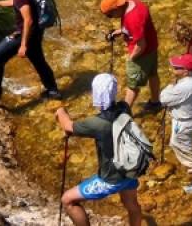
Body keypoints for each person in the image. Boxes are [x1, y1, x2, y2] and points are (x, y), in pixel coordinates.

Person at [55, 74, 142, 226]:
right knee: (132, 205)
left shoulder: (96, 124)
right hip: (130, 171)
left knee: (68, 200)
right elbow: (130, 96)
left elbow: (68, 126)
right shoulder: (124, 108)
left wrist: (60, 111)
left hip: (110, 179)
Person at [100, 0, 161, 112]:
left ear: (116, 8)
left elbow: (141, 45)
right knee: (153, 74)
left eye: (109, 15)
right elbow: (138, 28)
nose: (111, 18)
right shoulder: (132, 2)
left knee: (132, 85)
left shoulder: (132, 19)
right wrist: (120, 31)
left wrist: (131, 58)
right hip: (152, 45)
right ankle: (155, 102)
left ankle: (124, 113)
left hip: (142, 53)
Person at [160, 54, 192, 194]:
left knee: (181, 146)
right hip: (191, 118)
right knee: (179, 143)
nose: (173, 68)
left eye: (176, 67)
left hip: (183, 123)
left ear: (186, 71)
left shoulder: (185, 87)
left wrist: (170, 85)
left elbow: (163, 99)